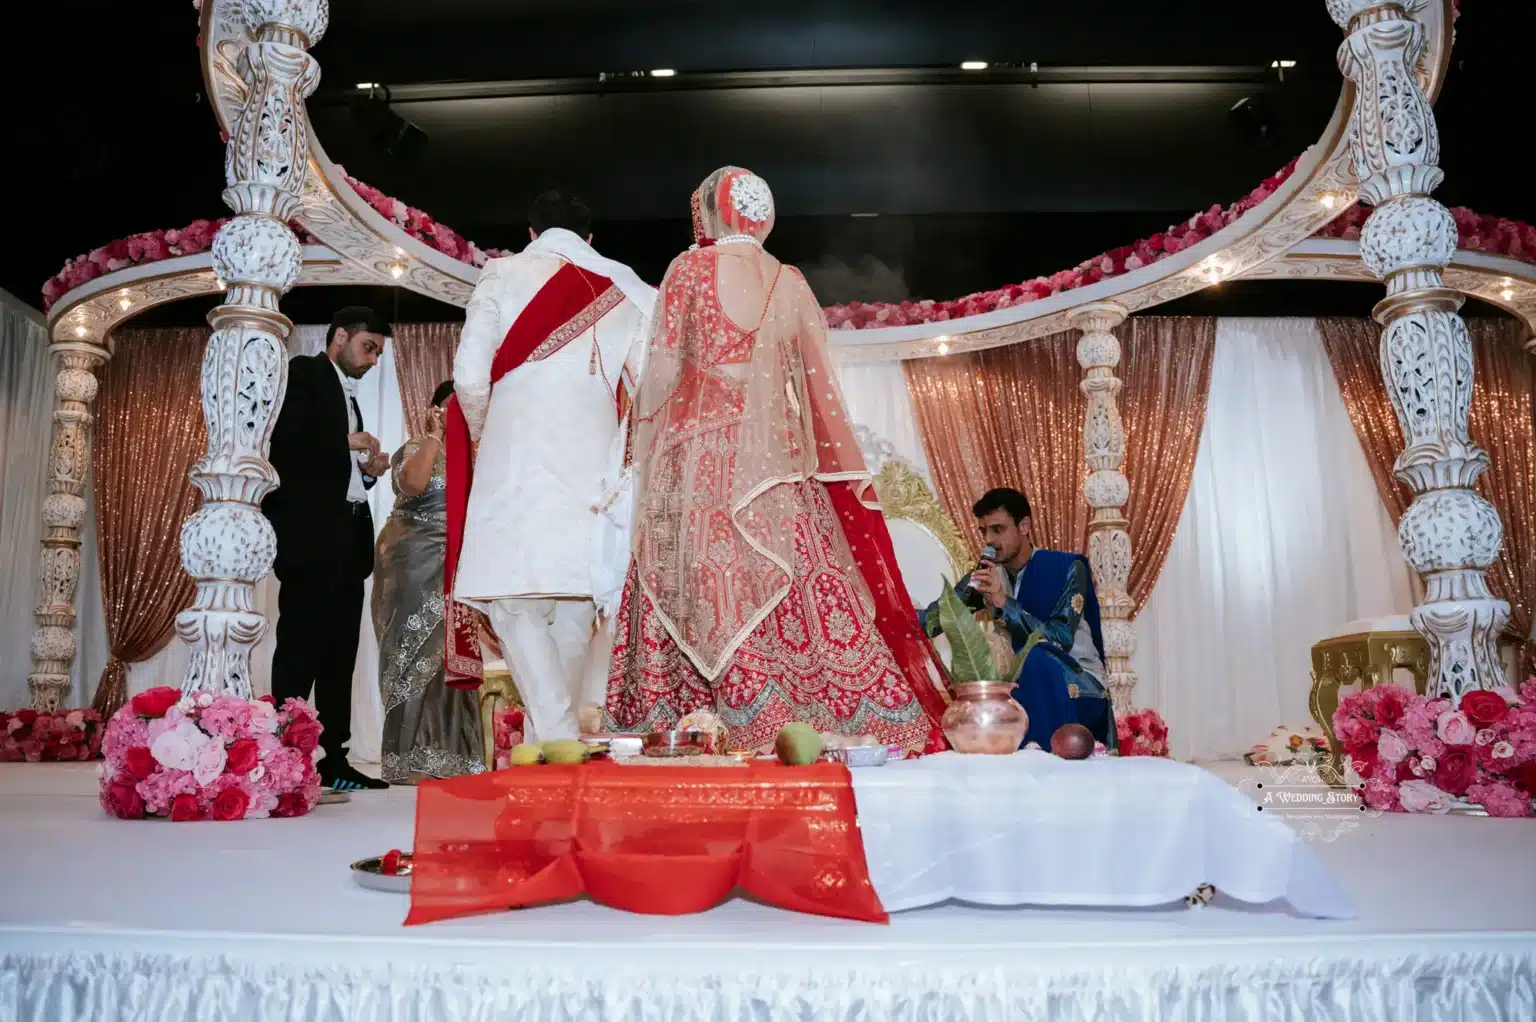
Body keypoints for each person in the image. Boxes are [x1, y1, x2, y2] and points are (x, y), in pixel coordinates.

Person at [605, 167, 948, 756]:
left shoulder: (688, 269)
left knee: (704, 583)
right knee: (799, 584)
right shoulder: (789, 280)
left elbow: (663, 373)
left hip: (698, 463)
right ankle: (819, 717)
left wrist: (638, 432)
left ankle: (696, 724)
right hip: (778, 467)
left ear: (714, 211)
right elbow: (816, 391)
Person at [446, 190, 656, 744]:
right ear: (591, 239)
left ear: (532, 233)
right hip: (594, 470)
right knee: (573, 607)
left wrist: (486, 435)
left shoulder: (502, 273)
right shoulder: (627, 287)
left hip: (514, 458)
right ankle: (555, 750)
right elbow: (650, 386)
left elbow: (468, 376)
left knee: (515, 602)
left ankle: (555, 742)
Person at [263, 306, 392, 791]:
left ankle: (334, 759)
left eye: (378, 351)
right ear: (339, 337)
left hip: (347, 537)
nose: (374, 358)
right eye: (369, 347)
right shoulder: (302, 374)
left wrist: (367, 472)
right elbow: (282, 442)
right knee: (300, 649)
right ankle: (285, 755)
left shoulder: (348, 393)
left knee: (341, 653)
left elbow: (333, 471)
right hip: (309, 538)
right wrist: (344, 442)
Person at [922, 488, 1116, 751]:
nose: (989, 541)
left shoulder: (1067, 568)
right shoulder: (985, 577)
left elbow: (1060, 638)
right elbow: (936, 618)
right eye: (984, 531)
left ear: (1024, 526)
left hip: (1078, 680)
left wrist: (1003, 603)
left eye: (998, 530)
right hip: (1019, 683)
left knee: (1034, 660)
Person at [374, 381, 484, 784]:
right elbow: (413, 486)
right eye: (454, 407)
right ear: (437, 409)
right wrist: (435, 436)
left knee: (449, 654)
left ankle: (454, 757)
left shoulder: (479, 455)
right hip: (410, 560)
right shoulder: (419, 446)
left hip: (458, 564)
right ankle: (407, 759)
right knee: (410, 651)